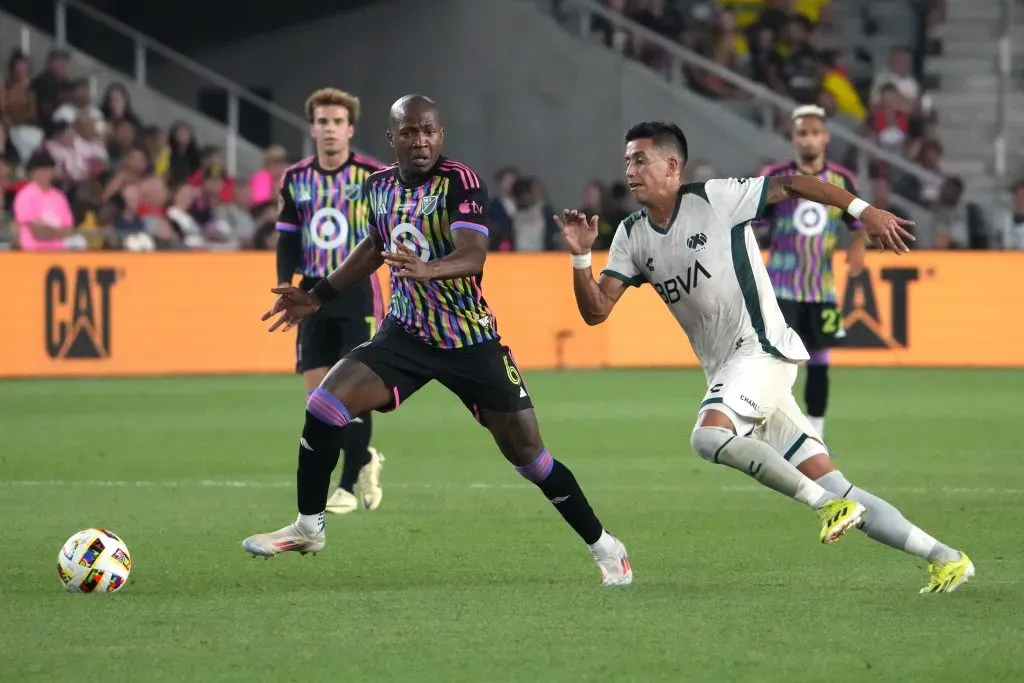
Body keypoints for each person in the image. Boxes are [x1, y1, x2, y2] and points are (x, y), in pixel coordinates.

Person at [556, 121, 973, 594]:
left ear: (672, 165)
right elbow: (596, 311)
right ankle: (945, 557)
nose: (629, 170)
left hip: (762, 351)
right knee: (840, 488)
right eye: (627, 161)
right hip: (736, 372)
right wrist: (579, 259)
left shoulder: (715, 198)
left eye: (640, 160)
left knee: (708, 437)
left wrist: (864, 210)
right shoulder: (632, 235)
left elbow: (792, 183)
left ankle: (823, 506)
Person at [245, 95, 632, 587]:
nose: (421, 141)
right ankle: (308, 526)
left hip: (470, 340)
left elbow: (474, 254)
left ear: (441, 135)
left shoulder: (460, 181)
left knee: (531, 459)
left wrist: (428, 269)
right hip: (405, 334)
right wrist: (317, 295)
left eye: (429, 131)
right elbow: (372, 249)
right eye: (409, 132)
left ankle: (606, 547)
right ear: (392, 139)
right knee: (325, 405)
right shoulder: (378, 186)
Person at [275, 88, 386, 514]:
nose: (330, 129)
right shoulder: (295, 179)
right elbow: (286, 239)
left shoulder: (374, 177)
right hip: (311, 295)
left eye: (337, 122)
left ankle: (344, 486)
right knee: (319, 400)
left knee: (352, 391)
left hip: (357, 292)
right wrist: (285, 285)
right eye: (322, 121)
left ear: (350, 128)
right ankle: (363, 457)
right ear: (312, 128)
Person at [759, 105, 866, 438]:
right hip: (779, 287)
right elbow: (751, 218)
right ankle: (770, 429)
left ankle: (816, 435)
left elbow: (858, 221)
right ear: (793, 139)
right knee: (776, 362)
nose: (808, 139)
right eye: (802, 133)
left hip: (823, 289)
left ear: (826, 137)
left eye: (814, 133)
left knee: (820, 362)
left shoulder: (842, 179)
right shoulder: (776, 175)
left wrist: (859, 246)